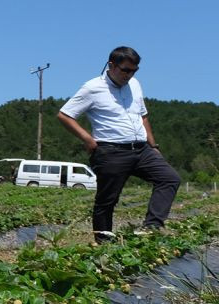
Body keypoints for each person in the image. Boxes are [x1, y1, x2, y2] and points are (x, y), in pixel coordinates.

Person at [57, 46, 181, 242]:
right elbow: (65, 115)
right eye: (125, 70)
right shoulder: (92, 88)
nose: (129, 75)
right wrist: (87, 139)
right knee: (107, 200)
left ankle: (152, 226)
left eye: (134, 70)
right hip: (111, 151)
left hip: (141, 149)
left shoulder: (135, 84)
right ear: (111, 65)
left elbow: (143, 116)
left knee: (170, 178)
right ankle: (104, 244)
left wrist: (154, 146)